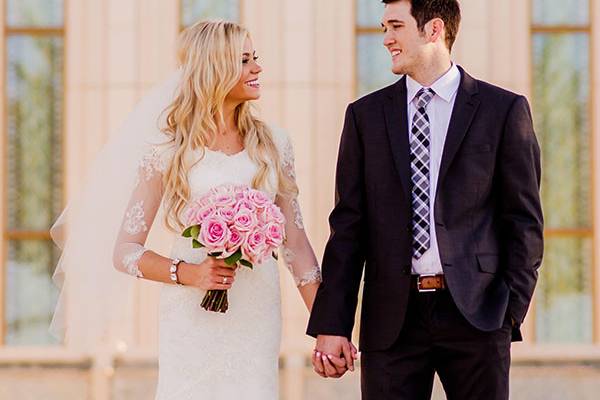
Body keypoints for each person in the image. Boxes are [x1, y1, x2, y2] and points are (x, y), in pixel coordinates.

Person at [52, 20, 343, 400]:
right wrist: (188, 273)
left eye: (255, 58)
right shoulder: (167, 149)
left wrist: (327, 326)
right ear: (214, 68)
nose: (257, 68)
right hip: (190, 314)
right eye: (244, 60)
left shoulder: (275, 144)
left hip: (255, 311)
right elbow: (124, 251)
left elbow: (298, 247)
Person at [307, 1, 544, 399]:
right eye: (383, 27)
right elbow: (348, 228)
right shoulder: (365, 117)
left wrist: (507, 313)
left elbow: (523, 222)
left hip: (477, 316)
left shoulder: (503, 110)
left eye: (396, 27)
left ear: (434, 29)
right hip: (391, 319)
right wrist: (332, 324)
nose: (385, 39)